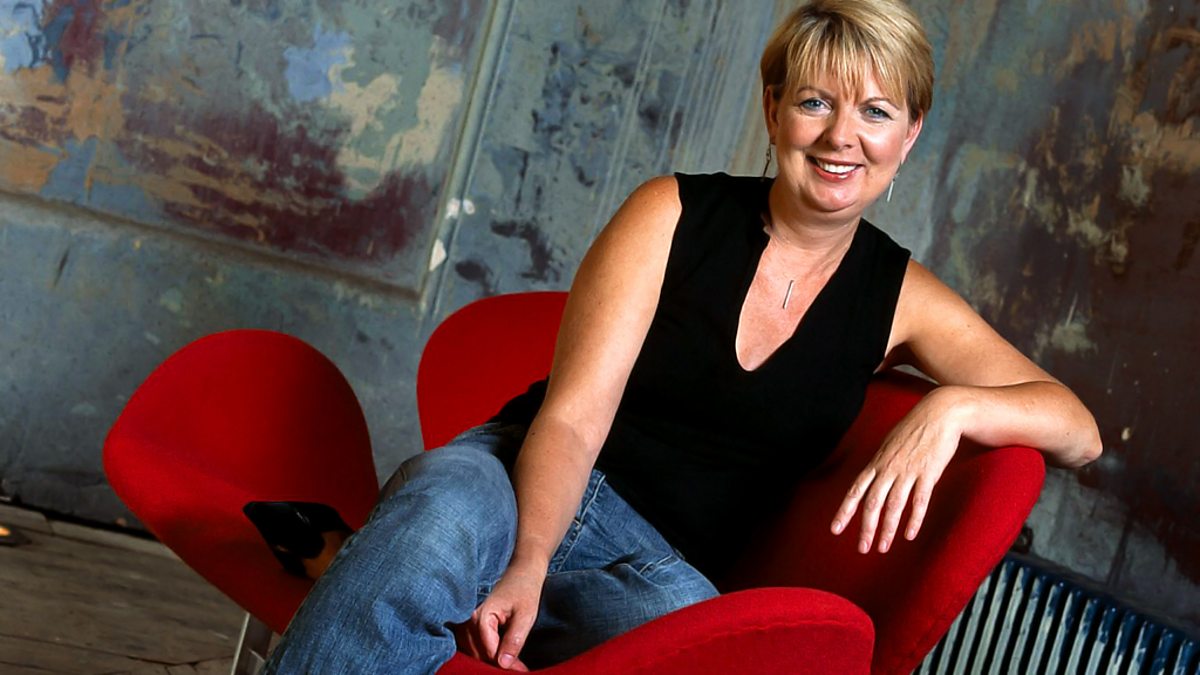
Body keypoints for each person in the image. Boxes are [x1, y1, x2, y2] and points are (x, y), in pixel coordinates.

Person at [263, 0, 1102, 672]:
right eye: (815, 102)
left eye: (876, 112)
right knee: (440, 515)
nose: (841, 137)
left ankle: (377, 571)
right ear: (774, 109)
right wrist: (527, 559)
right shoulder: (668, 211)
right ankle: (420, 564)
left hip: (656, 566)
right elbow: (573, 418)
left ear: (909, 134)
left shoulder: (904, 298)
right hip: (520, 480)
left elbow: (1078, 430)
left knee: (701, 647)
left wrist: (954, 407)